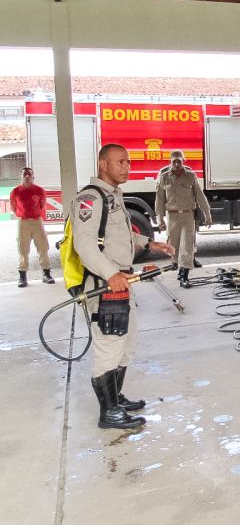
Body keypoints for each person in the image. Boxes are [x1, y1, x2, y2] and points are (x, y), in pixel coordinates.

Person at [71, 143, 173, 429]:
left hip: (121, 284)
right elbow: (85, 246)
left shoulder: (112, 196)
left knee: (126, 345)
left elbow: (120, 234)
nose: (127, 166)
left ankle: (115, 398)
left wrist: (149, 243)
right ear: (103, 164)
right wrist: (110, 274)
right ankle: (109, 413)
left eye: (128, 162)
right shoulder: (89, 199)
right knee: (109, 347)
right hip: (105, 286)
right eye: (120, 162)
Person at [155, 150, 212, 287]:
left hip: (187, 216)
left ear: (183, 161)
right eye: (173, 161)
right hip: (172, 216)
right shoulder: (164, 178)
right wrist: (160, 219)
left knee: (187, 246)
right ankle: (179, 267)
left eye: (179, 161)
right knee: (174, 246)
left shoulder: (191, 177)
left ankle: (184, 275)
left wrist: (207, 214)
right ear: (170, 162)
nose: (176, 164)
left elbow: (200, 197)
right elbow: (159, 200)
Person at [10, 167, 54, 287]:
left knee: (43, 247)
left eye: (29, 174)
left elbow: (42, 205)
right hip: (23, 222)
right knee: (23, 248)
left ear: (33, 177)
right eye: (25, 174)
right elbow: (14, 207)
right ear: (21, 176)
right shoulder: (15, 191)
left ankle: (46, 274)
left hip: (37, 221)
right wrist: (23, 216)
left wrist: (34, 215)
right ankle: (22, 276)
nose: (27, 176)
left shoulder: (39, 190)